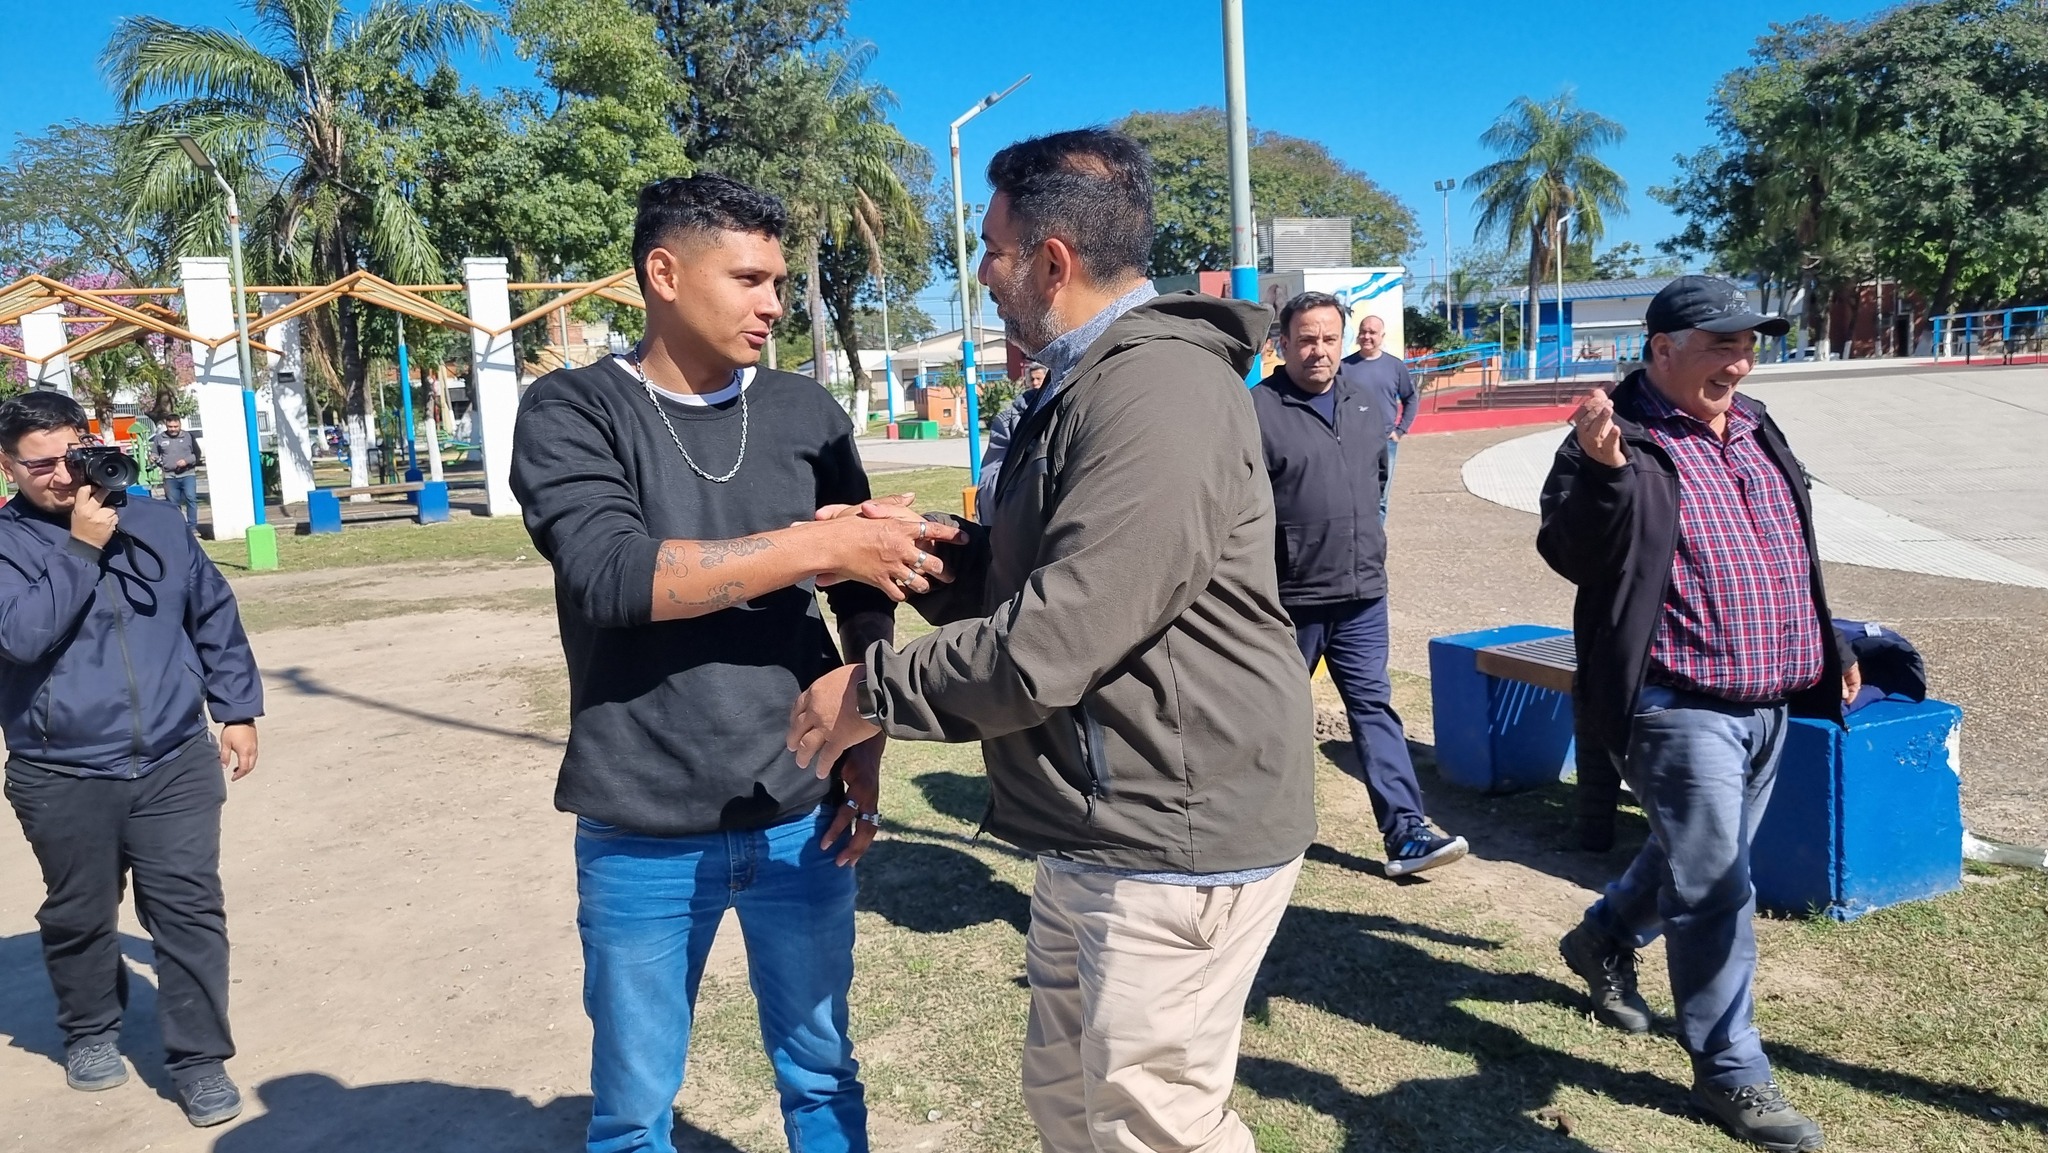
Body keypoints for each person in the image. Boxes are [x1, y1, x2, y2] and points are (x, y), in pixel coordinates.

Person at [785, 129, 1316, 1153]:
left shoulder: (1157, 389)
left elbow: (1060, 633)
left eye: (991, 251)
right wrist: (929, 556)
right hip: (1099, 823)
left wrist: (870, 690)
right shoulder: (1085, 381)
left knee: (1150, 1128)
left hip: (1174, 828)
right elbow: (1051, 580)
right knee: (1071, 1105)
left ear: (1053, 261)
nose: (981, 275)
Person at [509, 174, 961, 1153]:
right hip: (640, 824)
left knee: (822, 1073)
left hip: (799, 808)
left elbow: (861, 588)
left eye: (779, 282)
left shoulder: (806, 412)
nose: (773, 304)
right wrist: (816, 544)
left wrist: (867, 731)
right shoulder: (573, 409)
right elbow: (611, 576)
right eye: (749, 279)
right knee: (633, 1110)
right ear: (664, 273)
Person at [1538, 276, 1859, 1153]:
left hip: (1770, 696)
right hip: (1675, 702)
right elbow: (1571, 551)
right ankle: (1730, 1069)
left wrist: (1829, 641)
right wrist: (1603, 473)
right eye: (1722, 345)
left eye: (1748, 345)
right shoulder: (1614, 436)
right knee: (1717, 886)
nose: (1741, 362)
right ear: (1663, 349)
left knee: (1698, 858)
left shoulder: (1756, 425)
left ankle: (1603, 936)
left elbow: (1788, 550)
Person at [0, 390, 262, 1128]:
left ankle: (200, 1059)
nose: (62, 476)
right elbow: (20, 637)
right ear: (8, 465)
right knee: (81, 911)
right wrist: (81, 546)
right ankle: (89, 1029)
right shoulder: (6, 544)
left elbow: (212, 612)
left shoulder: (155, 521)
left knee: (188, 910)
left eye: (72, 455)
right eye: (41, 465)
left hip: (174, 757)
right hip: (61, 767)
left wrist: (237, 707)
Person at [1254, 292, 1468, 878]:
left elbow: (1375, 484)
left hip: (1363, 594)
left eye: (1329, 338)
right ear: (1283, 344)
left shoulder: (1365, 402)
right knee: (1270, 717)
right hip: (1289, 601)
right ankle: (1249, 830)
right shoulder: (1256, 412)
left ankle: (1407, 833)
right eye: (1306, 339)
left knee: (1374, 708)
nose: (1319, 350)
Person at [1336, 315, 1416, 520]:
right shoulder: (1343, 367)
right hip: (1351, 442)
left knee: (1381, 498)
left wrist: (1400, 431)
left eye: (1372, 332)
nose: (1366, 336)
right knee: (1349, 495)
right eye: (1363, 331)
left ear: (1382, 335)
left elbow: (1410, 398)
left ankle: (1375, 537)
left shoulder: (1395, 366)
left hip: (1385, 441)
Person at [974, 361, 1046, 521]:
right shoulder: (1009, 420)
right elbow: (992, 472)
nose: (1035, 383)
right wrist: (990, 522)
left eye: (1039, 379)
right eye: (1032, 379)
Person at [149, 414, 203, 534]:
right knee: (173, 503)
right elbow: (155, 453)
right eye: (170, 427)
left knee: (191, 498)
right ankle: (179, 527)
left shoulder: (188, 436)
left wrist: (186, 461)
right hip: (169, 476)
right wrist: (153, 457)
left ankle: (192, 527)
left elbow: (197, 454)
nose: (173, 429)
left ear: (180, 424)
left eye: (175, 426)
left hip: (188, 474)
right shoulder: (159, 438)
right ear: (166, 425)